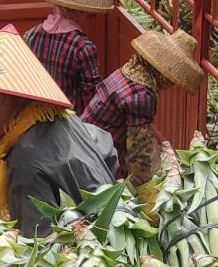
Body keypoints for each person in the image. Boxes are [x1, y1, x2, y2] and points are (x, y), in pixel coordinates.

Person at [0, 24, 119, 237]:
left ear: (20, 98)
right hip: (112, 225)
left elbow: (36, 241)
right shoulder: (62, 117)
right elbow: (105, 144)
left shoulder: (25, 157)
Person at [81, 27, 203, 188]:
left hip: (83, 142)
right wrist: (143, 191)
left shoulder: (125, 72)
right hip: (99, 162)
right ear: (161, 72)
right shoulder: (142, 95)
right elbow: (138, 153)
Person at [24, 0, 113, 112]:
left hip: (30, 117)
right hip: (66, 122)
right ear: (82, 11)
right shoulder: (83, 47)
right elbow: (90, 95)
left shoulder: (30, 35)